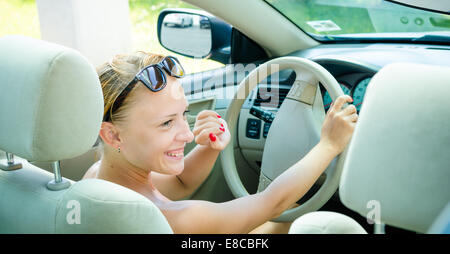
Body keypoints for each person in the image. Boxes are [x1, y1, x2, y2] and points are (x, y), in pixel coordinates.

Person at [83, 51, 358, 234]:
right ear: (113, 135)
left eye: (184, 115)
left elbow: (180, 184)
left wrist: (208, 148)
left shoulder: (95, 178)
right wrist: (329, 145)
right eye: (167, 123)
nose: (187, 134)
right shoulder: (169, 219)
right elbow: (272, 202)